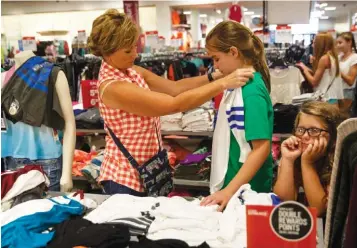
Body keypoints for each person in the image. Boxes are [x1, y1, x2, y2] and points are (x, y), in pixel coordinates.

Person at [87, 9, 254, 196]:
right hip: (125, 178)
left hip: (148, 171)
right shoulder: (113, 87)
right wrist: (223, 84)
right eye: (128, 50)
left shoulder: (131, 70)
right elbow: (174, 103)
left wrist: (214, 76)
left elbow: (175, 87)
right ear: (108, 53)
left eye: (135, 46)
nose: (135, 54)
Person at [200, 21, 273, 211]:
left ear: (233, 52)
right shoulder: (238, 85)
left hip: (247, 189)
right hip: (236, 183)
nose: (215, 66)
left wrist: (229, 191)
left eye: (216, 59)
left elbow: (261, 148)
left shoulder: (251, 91)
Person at [273, 101, 343, 216]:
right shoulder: (295, 154)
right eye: (300, 130)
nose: (305, 136)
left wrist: (307, 163)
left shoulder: (337, 161)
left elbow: (319, 211)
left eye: (314, 131)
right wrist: (287, 159)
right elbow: (282, 204)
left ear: (333, 136)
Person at [297, 33, 344, 104]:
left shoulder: (324, 58)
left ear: (321, 44)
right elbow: (322, 75)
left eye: (314, 43)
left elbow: (314, 82)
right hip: (332, 97)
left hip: (326, 98)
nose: (313, 45)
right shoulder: (332, 56)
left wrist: (305, 70)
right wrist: (305, 67)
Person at [336, 32, 357, 114]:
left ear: (349, 42)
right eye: (337, 43)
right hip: (337, 91)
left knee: (344, 119)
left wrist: (337, 71)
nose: (338, 45)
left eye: (340, 43)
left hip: (346, 92)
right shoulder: (339, 57)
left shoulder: (355, 58)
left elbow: (351, 81)